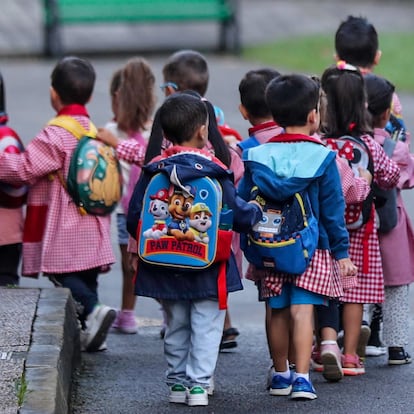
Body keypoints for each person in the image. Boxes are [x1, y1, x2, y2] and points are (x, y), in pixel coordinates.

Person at [126, 92, 263, 406]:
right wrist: (254, 211)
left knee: (175, 323)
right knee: (206, 324)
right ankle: (199, 386)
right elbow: (237, 214)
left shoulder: (154, 171)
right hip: (208, 265)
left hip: (164, 263)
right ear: (204, 131)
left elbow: (136, 217)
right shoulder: (214, 171)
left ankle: (176, 384)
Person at [238, 73, 357, 400]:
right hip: (311, 247)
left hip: (268, 247)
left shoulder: (257, 157)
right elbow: (333, 209)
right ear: (313, 116)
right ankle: (302, 378)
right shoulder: (321, 157)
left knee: (276, 310)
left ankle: (280, 374)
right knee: (303, 310)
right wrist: (341, 251)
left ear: (274, 116)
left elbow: (242, 201)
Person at [0, 56, 116, 352]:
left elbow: (24, 168)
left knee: (63, 274)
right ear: (90, 95)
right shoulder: (91, 128)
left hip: (65, 220)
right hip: (91, 216)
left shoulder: (56, 133)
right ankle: (91, 327)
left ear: (54, 93)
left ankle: (92, 311)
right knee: (86, 273)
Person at [145, 49, 243, 349]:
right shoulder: (214, 118)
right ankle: (221, 326)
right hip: (210, 219)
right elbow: (232, 169)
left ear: (172, 89)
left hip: (173, 218)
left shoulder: (168, 122)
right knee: (210, 278)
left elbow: (150, 165)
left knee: (174, 267)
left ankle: (174, 325)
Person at [319, 62, 400, 375]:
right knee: (356, 292)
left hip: (326, 233)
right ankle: (351, 355)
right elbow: (391, 176)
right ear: (362, 106)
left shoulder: (321, 143)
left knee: (324, 289)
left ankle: (321, 346)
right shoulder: (369, 144)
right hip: (361, 230)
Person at [234, 67, 284, 382]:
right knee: (302, 303)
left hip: (264, 242)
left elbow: (237, 197)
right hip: (302, 240)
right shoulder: (302, 144)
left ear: (243, 111)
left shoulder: (244, 151)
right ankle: (302, 367)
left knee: (273, 303)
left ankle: (279, 370)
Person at [103, 58, 156, 334]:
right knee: (152, 260)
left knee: (130, 265)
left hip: (128, 208)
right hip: (153, 206)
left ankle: (127, 313)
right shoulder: (154, 131)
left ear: (117, 97)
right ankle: (136, 314)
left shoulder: (111, 133)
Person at [365, 73, 414, 365]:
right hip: (390, 222)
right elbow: (407, 180)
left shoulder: (348, 145)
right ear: (387, 114)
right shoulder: (396, 149)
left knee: (357, 282)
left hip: (356, 224)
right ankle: (396, 347)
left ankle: (358, 334)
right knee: (395, 285)